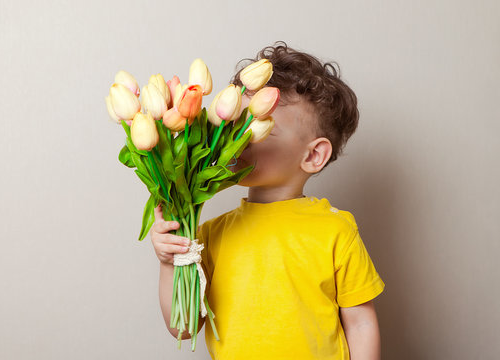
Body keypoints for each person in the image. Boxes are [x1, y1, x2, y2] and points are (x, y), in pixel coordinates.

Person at [151, 41, 385, 360]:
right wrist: (170, 264)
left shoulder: (336, 230)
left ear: (313, 155)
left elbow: (359, 324)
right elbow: (185, 328)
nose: (238, 138)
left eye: (261, 128)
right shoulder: (207, 235)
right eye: (236, 123)